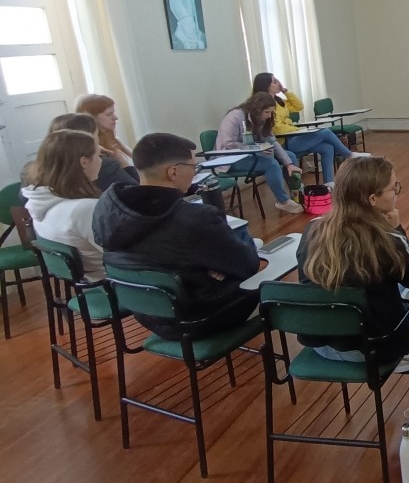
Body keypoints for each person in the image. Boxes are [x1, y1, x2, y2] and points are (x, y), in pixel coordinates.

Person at [92, 133, 259, 340]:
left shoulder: (109, 210)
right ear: (173, 171)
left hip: (147, 315)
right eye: (193, 167)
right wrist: (210, 270)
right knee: (259, 269)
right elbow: (249, 265)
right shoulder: (195, 219)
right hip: (200, 318)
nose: (195, 172)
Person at [296, 156, 409, 367]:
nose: (396, 192)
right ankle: (401, 356)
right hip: (374, 347)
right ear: (373, 199)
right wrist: (398, 230)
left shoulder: (313, 229)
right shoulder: (388, 239)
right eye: (394, 188)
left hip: (321, 343)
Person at [251, 72, 367, 185]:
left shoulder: (280, 102)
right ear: (266, 85)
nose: (278, 83)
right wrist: (296, 130)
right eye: (274, 82)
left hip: (293, 137)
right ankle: (349, 155)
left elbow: (299, 106)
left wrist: (285, 91)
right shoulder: (264, 107)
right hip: (283, 143)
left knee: (327, 147)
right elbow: (277, 129)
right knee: (325, 132)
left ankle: (329, 183)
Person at [22, 130, 106, 281]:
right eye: (99, 155)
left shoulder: (38, 203)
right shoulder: (85, 209)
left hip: (87, 284)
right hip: (116, 286)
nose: (101, 161)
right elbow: (125, 256)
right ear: (84, 162)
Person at [216, 92, 305, 214]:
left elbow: (272, 140)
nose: (269, 116)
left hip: (252, 154)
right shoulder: (235, 116)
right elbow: (228, 143)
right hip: (230, 158)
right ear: (256, 109)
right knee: (271, 164)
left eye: (271, 112)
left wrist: (289, 164)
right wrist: (257, 147)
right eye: (267, 112)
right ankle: (283, 201)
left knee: (290, 156)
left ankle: (296, 195)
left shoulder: (262, 119)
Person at [76, 94, 135, 174]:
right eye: (108, 114)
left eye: (113, 113)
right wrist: (120, 159)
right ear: (91, 118)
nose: (116, 118)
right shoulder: (91, 152)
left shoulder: (114, 140)